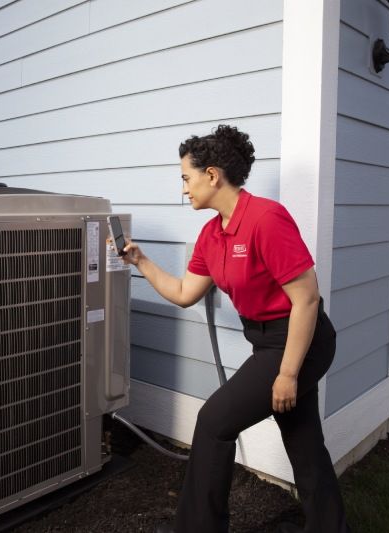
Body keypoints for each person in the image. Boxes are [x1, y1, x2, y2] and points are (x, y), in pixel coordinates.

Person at [120, 125, 351, 533]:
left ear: (212, 175)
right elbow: (183, 292)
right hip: (267, 344)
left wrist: (287, 373)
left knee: (213, 422)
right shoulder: (212, 234)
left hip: (301, 341)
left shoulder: (266, 218)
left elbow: (307, 299)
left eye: (186, 179)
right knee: (304, 444)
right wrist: (141, 261)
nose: (184, 190)